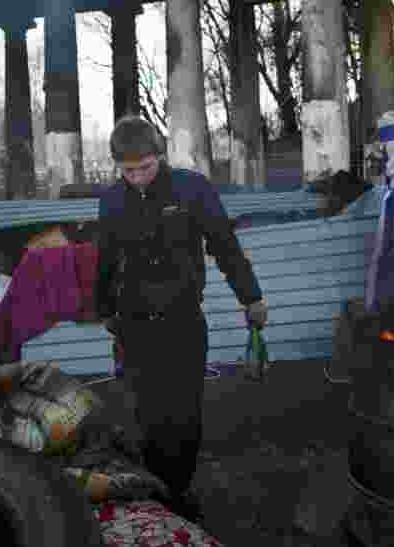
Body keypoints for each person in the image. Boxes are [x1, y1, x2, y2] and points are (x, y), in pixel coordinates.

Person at [94, 115, 267, 523]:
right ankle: (159, 492)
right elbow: (106, 261)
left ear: (160, 155)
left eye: (145, 167)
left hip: (183, 320)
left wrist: (251, 297)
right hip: (135, 323)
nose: (138, 178)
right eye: (128, 171)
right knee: (149, 414)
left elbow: (225, 246)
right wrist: (104, 309)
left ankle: (179, 489)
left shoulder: (192, 189)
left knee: (184, 414)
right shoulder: (112, 201)